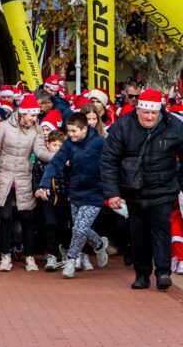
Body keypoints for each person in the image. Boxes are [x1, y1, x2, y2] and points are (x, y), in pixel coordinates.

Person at [101, 88, 183, 290]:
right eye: (145, 112)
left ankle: (163, 272)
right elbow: (109, 160)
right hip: (133, 189)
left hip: (163, 189)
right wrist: (112, 193)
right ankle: (142, 274)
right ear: (138, 110)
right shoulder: (123, 125)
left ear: (159, 111)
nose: (149, 116)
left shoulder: (174, 126)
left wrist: (179, 183)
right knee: (138, 234)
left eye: (153, 113)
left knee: (161, 231)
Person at [0, 94, 54, 272]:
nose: (35, 118)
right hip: (4, 176)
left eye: (36, 115)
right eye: (32, 115)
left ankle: (30, 256)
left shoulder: (36, 130)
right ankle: (5, 255)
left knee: (27, 218)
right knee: (6, 216)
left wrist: (57, 156)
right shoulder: (4, 126)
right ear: (23, 113)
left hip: (24, 176)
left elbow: (40, 152)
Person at [38, 114, 109, 278]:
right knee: (80, 227)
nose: (70, 135)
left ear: (84, 129)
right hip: (76, 191)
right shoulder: (69, 144)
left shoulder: (99, 143)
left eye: (74, 131)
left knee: (79, 228)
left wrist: (112, 190)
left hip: (95, 192)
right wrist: (44, 183)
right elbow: (56, 163)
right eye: (69, 131)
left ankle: (71, 259)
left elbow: (111, 163)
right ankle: (99, 244)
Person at [31, 130, 70, 271]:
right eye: (54, 145)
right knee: (49, 224)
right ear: (47, 145)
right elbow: (35, 177)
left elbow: (71, 178)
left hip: (64, 198)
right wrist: (37, 189)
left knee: (64, 225)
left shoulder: (66, 162)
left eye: (60, 145)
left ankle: (64, 251)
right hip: (47, 198)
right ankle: (52, 254)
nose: (57, 148)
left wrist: (70, 192)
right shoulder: (41, 161)